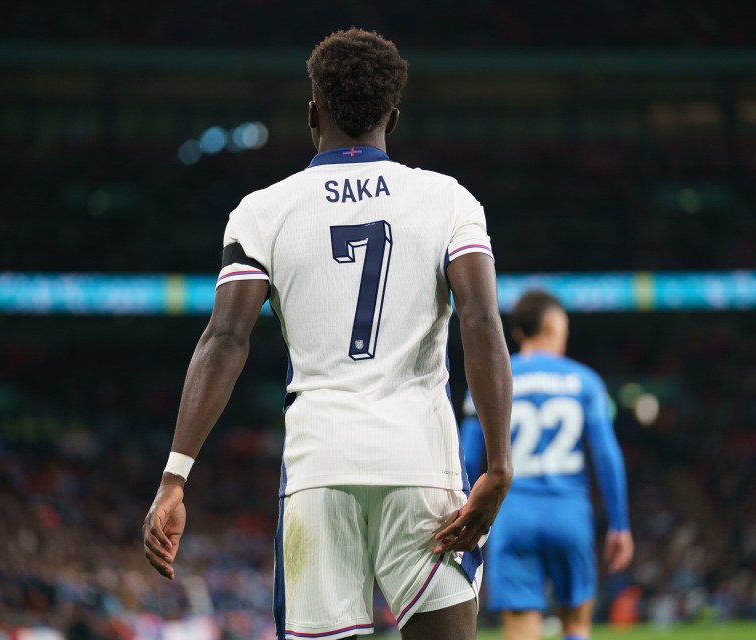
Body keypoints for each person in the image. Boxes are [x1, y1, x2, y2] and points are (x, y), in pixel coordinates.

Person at [142, 28, 513, 640]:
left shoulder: (263, 211)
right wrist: (497, 464)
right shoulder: (448, 200)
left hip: (320, 466)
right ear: (393, 115)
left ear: (312, 113)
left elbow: (225, 341)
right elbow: (480, 319)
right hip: (420, 461)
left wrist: (175, 476)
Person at [460, 290, 633, 640]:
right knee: (576, 625)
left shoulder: (490, 378)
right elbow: (606, 455)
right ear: (554, 325)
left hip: (512, 516)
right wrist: (619, 523)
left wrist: (465, 513)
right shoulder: (584, 381)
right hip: (569, 514)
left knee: (523, 630)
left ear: (520, 332)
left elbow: (466, 457)